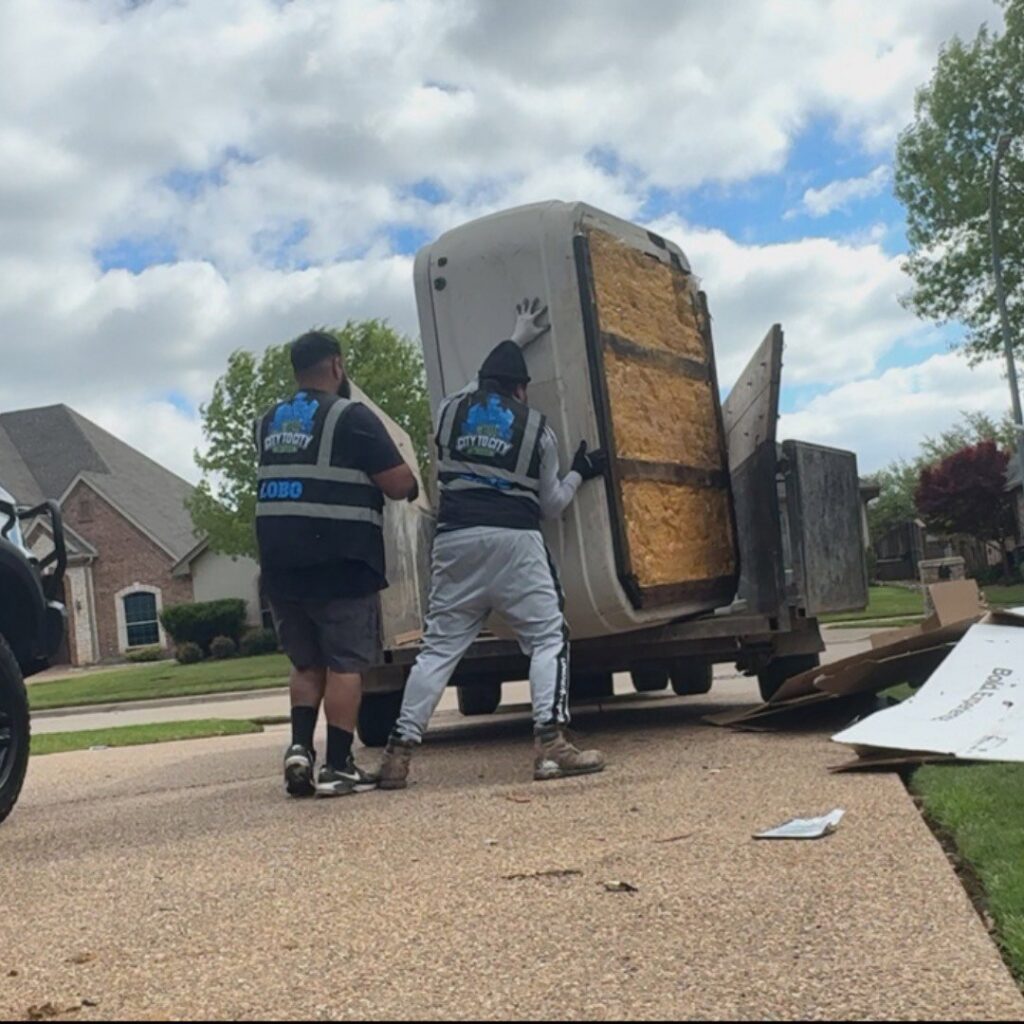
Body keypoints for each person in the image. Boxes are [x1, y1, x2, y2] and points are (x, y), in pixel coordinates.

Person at [377, 299, 608, 789]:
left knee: (437, 651)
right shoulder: (538, 431)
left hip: (456, 542)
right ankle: (551, 747)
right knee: (548, 639)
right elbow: (551, 505)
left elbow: (474, 386)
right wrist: (580, 472)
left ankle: (398, 754)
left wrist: (516, 336)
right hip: (516, 545)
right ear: (522, 389)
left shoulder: (448, 412)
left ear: (484, 383)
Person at [255, 331, 418, 799]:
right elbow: (397, 483)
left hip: (281, 565)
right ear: (336, 365)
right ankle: (339, 765)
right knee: (346, 664)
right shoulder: (352, 417)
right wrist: (410, 485)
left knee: (306, 663)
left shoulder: (267, 422)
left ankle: (300, 751)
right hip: (341, 560)